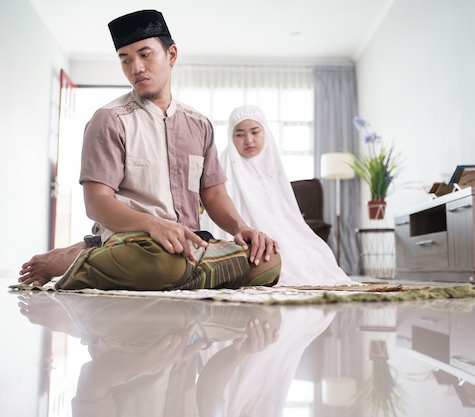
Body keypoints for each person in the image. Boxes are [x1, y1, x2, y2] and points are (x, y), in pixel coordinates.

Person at [19, 10, 280, 290]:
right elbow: (96, 203)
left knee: (268, 261)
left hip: (188, 242)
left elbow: (214, 193)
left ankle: (177, 271)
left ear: (171, 55)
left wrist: (242, 229)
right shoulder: (109, 119)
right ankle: (72, 262)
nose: (136, 68)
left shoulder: (200, 124)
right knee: (165, 262)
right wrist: (151, 225)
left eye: (145, 55)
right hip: (135, 241)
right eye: (126, 60)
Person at [203, 105, 357, 286]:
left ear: (264, 132)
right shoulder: (223, 168)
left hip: (278, 230)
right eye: (240, 134)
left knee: (316, 253)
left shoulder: (272, 166)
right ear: (231, 136)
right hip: (239, 234)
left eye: (254, 132)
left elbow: (285, 212)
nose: (248, 140)